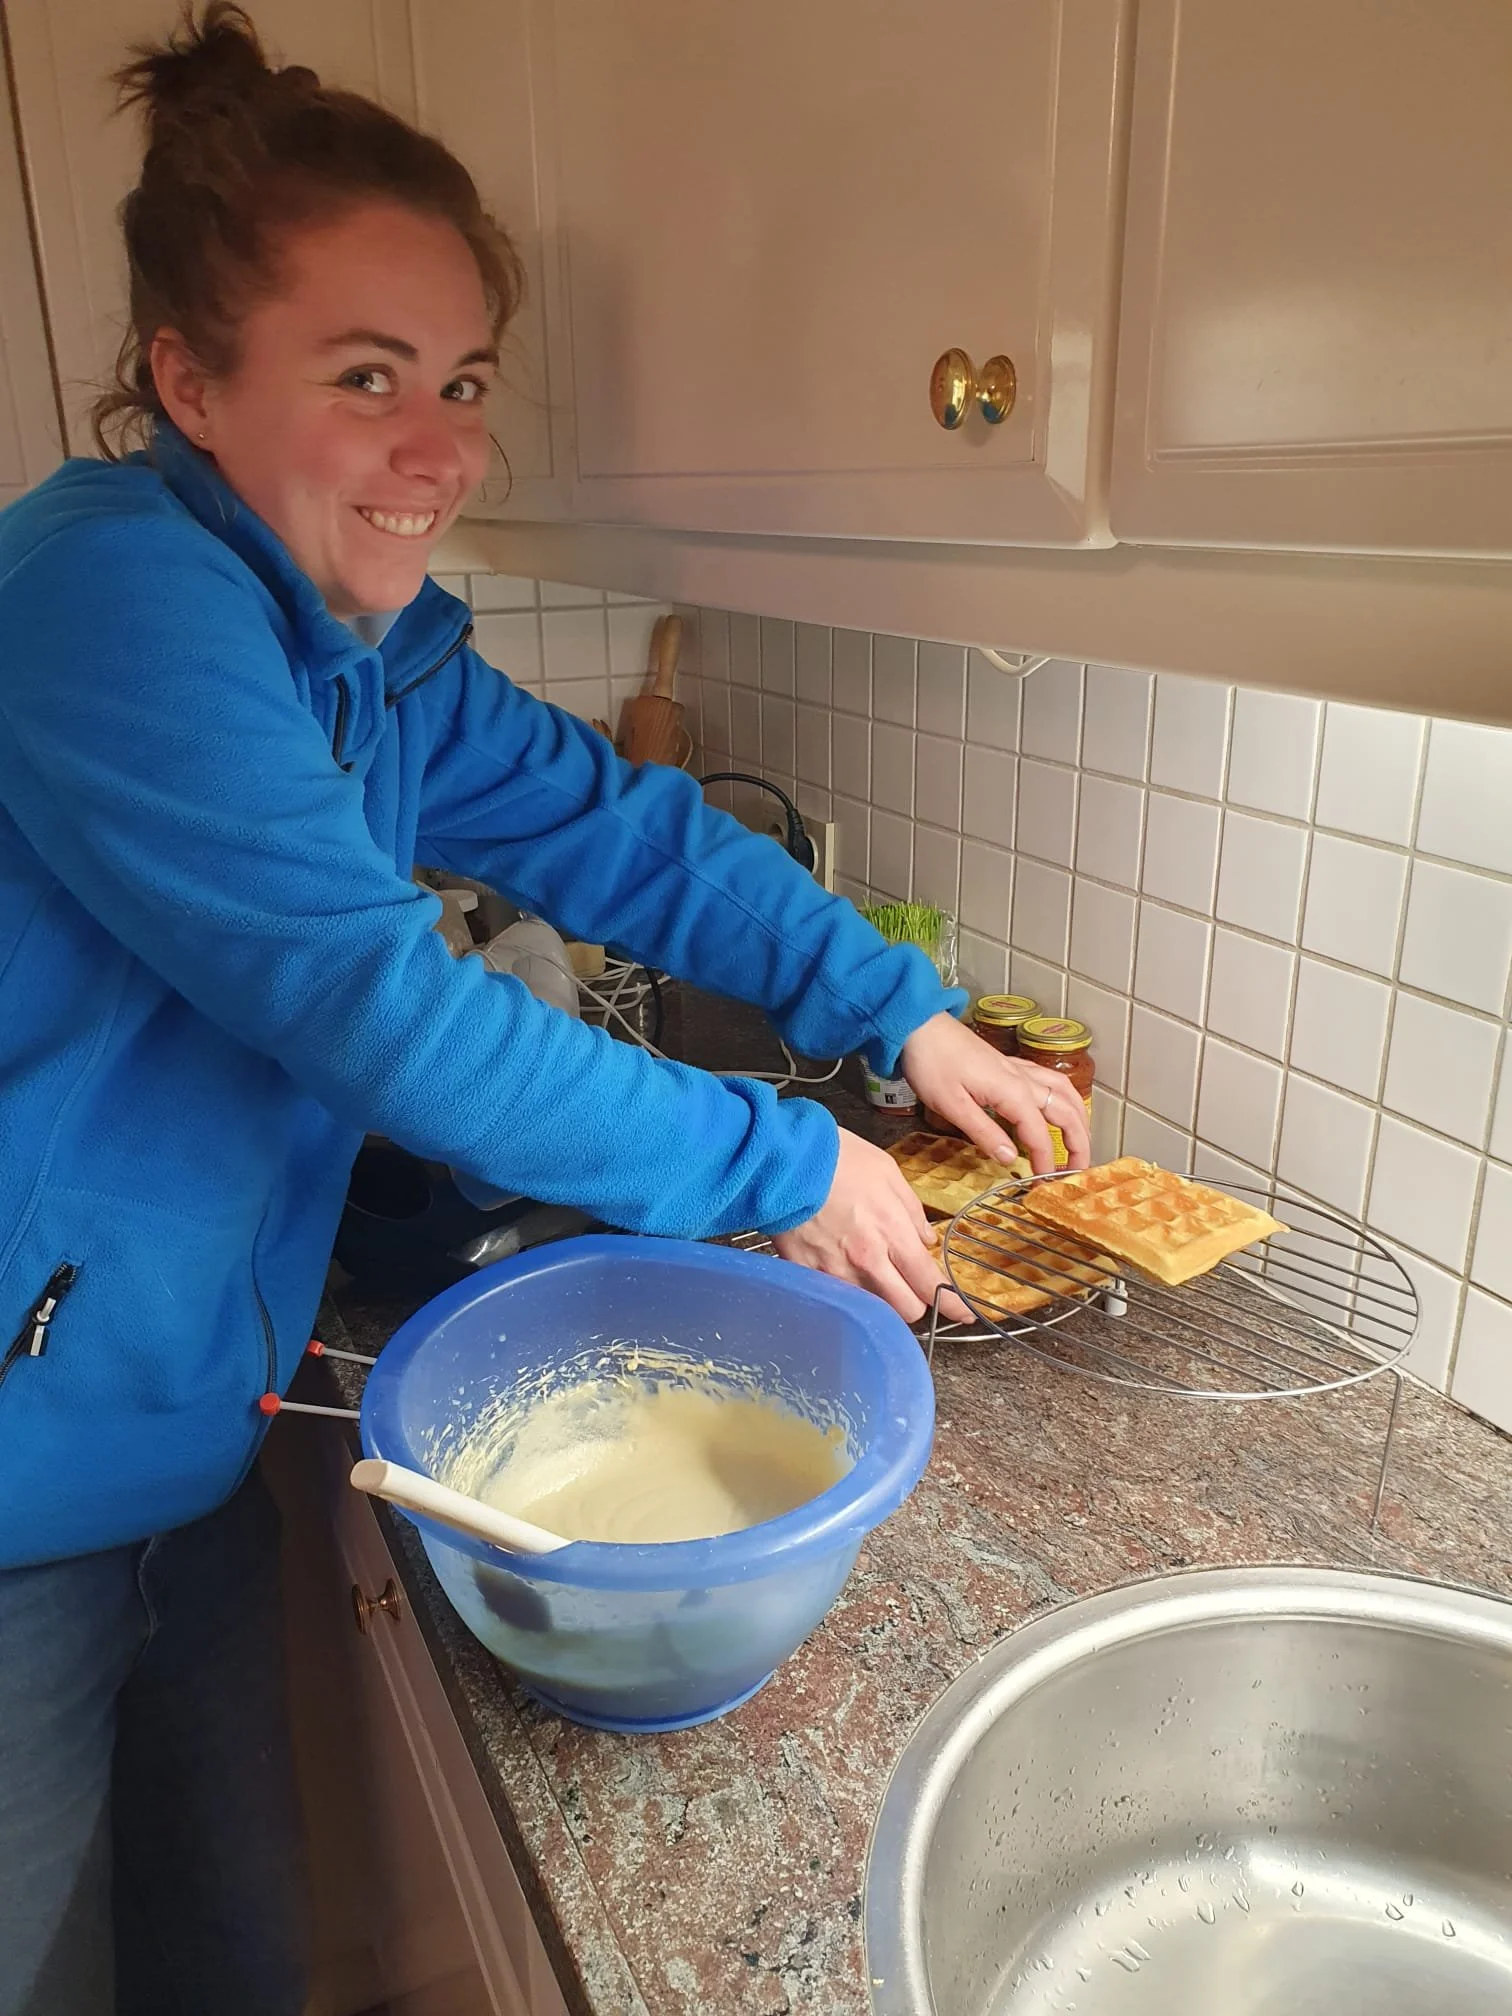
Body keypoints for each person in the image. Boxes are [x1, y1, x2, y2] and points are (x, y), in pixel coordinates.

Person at [0, 9, 1090, 2011]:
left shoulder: (363, 641)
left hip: (188, 1417)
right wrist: (787, 1151)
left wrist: (909, 1018)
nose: (439, 445)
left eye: (465, 380)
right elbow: (384, 1014)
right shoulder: (109, 602)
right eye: (364, 377)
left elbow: (622, 834)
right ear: (187, 380)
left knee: (233, 1954)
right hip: (21, 1461)